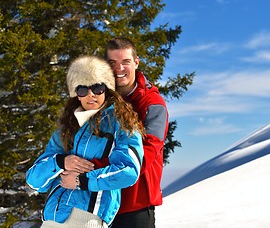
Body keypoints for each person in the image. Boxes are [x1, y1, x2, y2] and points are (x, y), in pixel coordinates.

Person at [26, 55, 144, 228]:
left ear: (107, 89)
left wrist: (82, 181)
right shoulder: (66, 129)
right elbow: (34, 181)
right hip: (52, 217)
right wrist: (61, 162)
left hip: (88, 217)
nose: (91, 95)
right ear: (77, 95)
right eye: (83, 90)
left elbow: (129, 170)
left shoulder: (121, 122)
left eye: (97, 88)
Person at [103, 37, 169, 228]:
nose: (119, 69)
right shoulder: (98, 99)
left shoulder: (153, 105)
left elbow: (144, 157)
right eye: (112, 63)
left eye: (125, 62)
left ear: (136, 62)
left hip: (135, 205)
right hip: (101, 202)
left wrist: (90, 170)